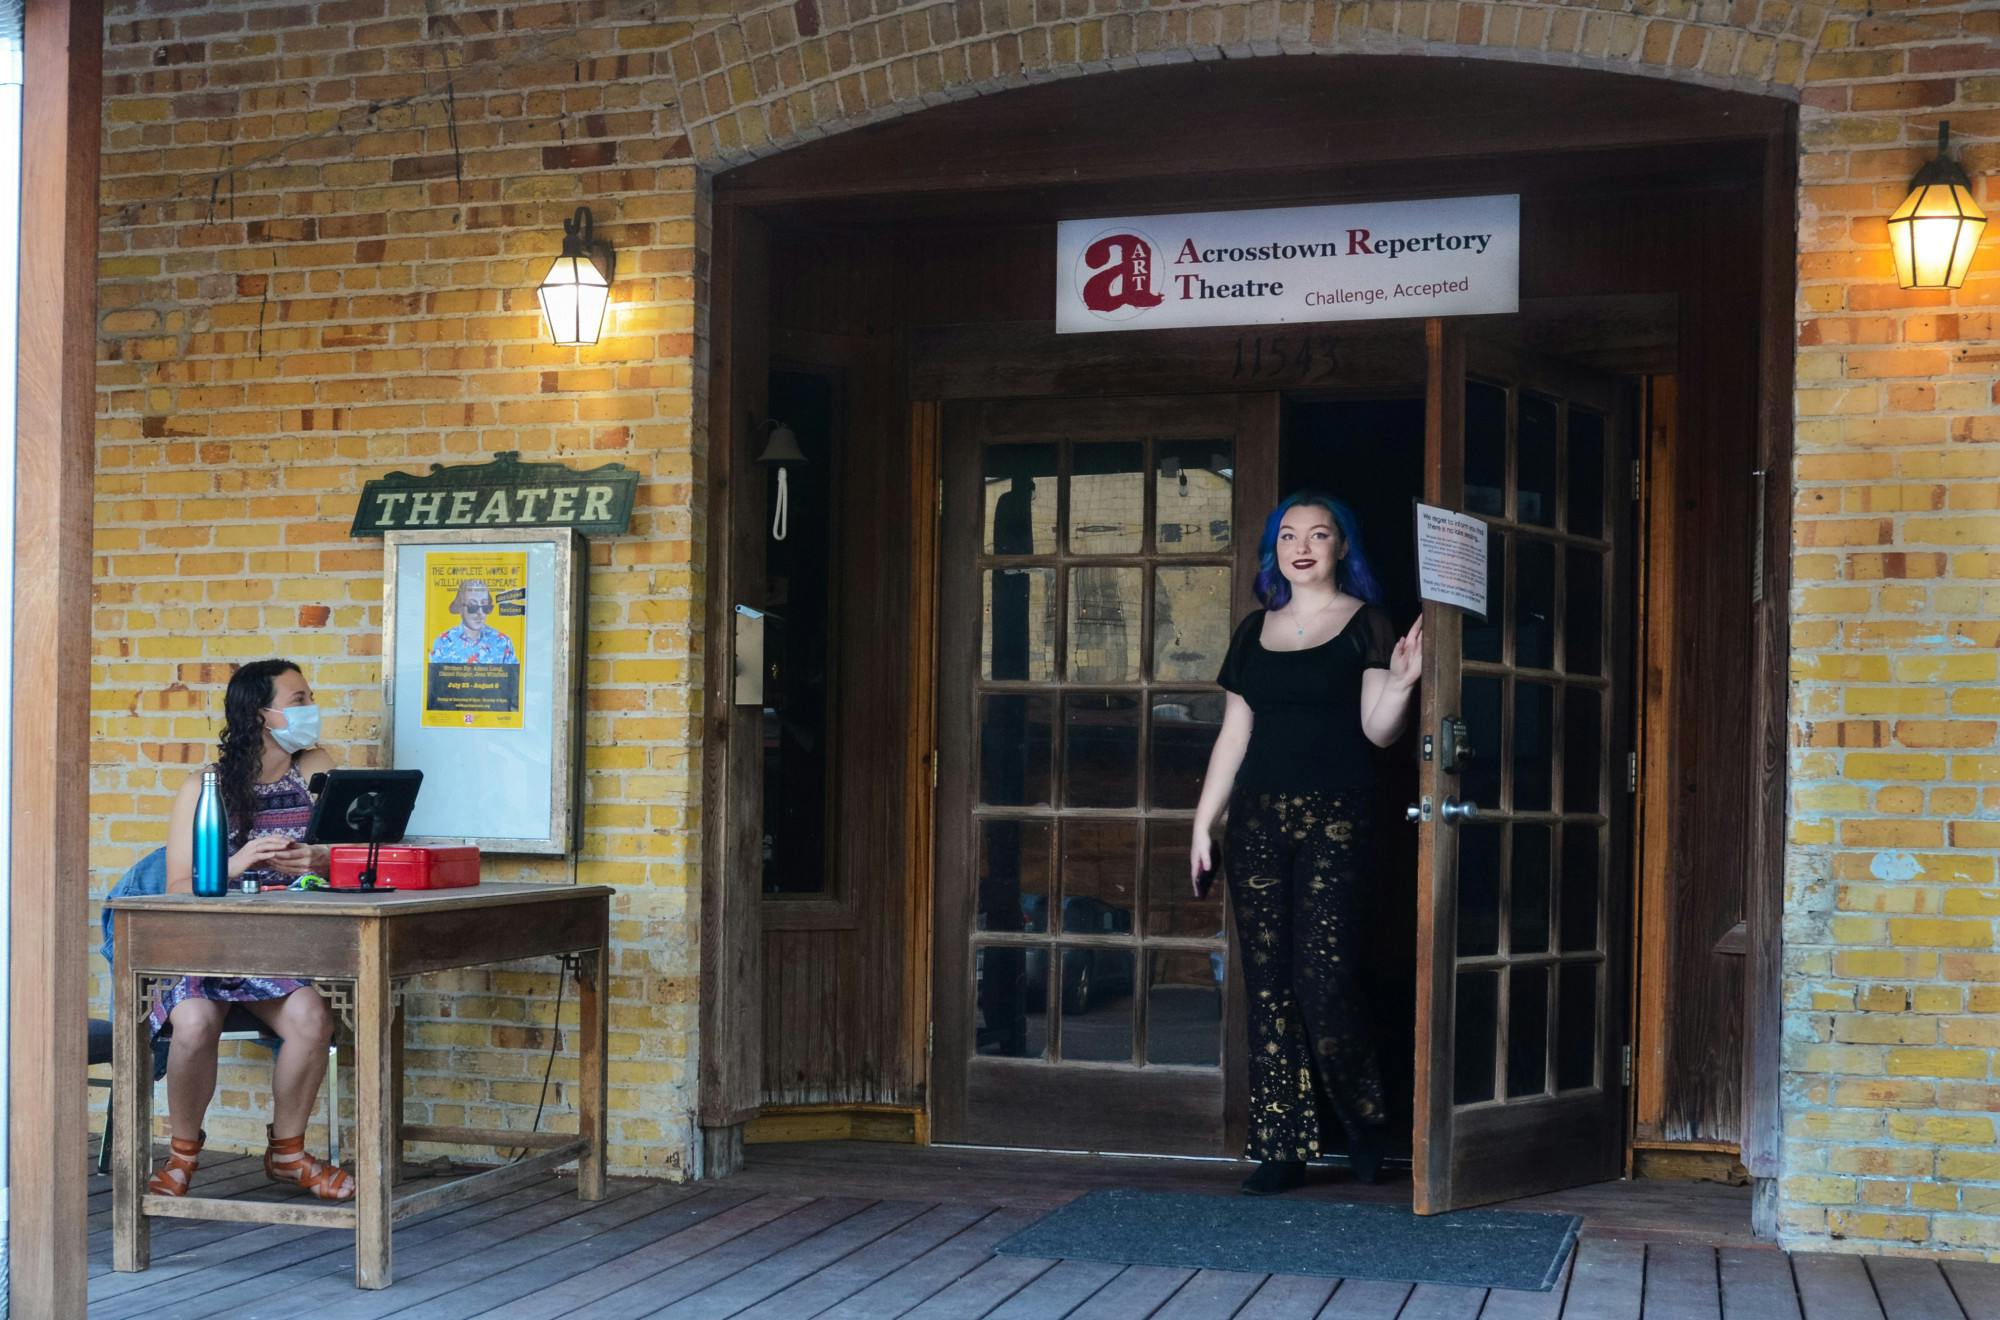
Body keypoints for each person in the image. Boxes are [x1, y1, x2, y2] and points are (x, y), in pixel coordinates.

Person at [1190, 491, 1422, 1196]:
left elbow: (1378, 730)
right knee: (1268, 988)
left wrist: (1406, 682)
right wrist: (1202, 823)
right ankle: (1281, 1145)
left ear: (1341, 548)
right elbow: (1235, 735)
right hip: (1257, 819)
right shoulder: (1253, 630)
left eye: (1320, 534)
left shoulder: (1365, 624)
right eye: (1290, 535)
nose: (1303, 546)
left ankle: (1364, 1123)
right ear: (1275, 550)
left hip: (1335, 817)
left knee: (1323, 980)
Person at [148, 659, 353, 1202]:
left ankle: (287, 1153)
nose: (311, 709)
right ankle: (182, 1156)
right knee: (193, 1024)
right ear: (262, 715)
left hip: (277, 946)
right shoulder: (203, 786)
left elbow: (344, 856)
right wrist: (235, 863)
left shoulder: (315, 768)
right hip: (207, 944)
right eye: (299, 699)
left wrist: (319, 858)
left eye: (309, 697)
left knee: (312, 1018)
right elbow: (174, 886)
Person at [428, 578, 518, 664]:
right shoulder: (443, 642)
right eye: (472, 606)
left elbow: (512, 678)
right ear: (460, 608)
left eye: (485, 606)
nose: (480, 613)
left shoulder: (503, 642)